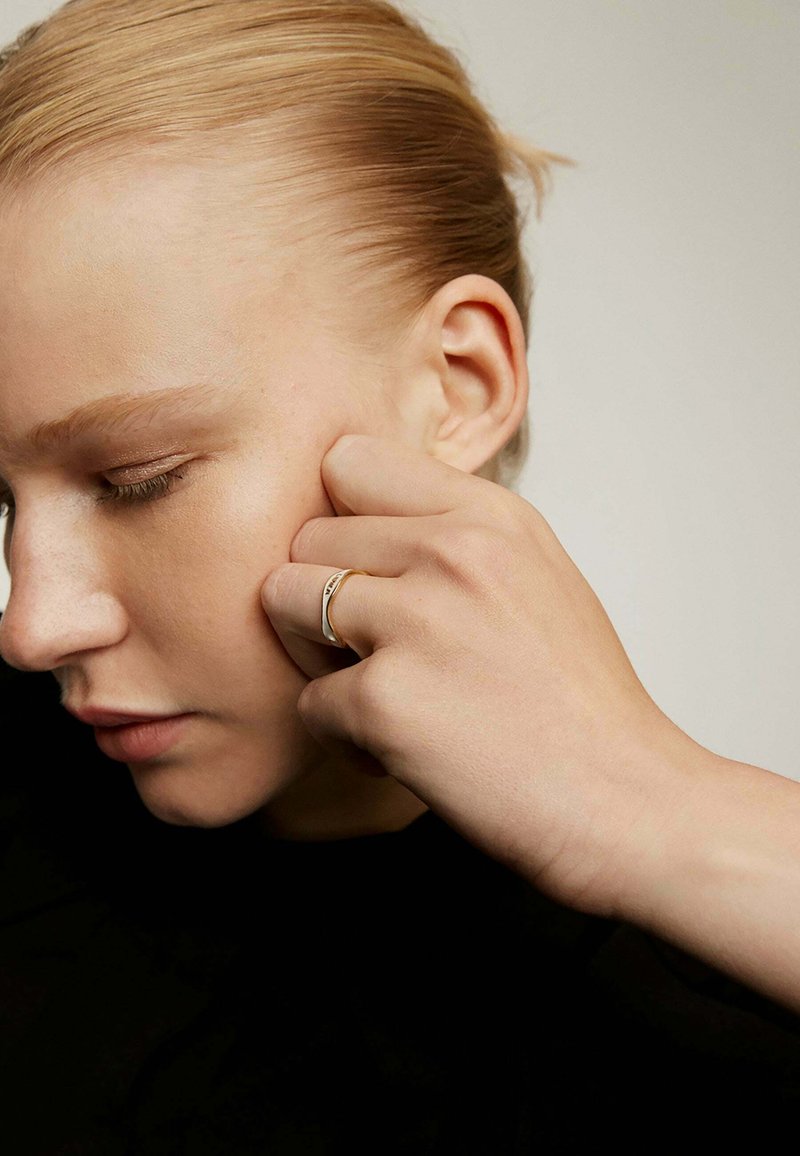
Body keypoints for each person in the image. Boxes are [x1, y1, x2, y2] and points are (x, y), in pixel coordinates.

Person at [0, 1, 799, 1153]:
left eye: (138, 479)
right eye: (1, 503)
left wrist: (660, 809)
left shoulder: (700, 1006)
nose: (33, 624)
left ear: (459, 385)